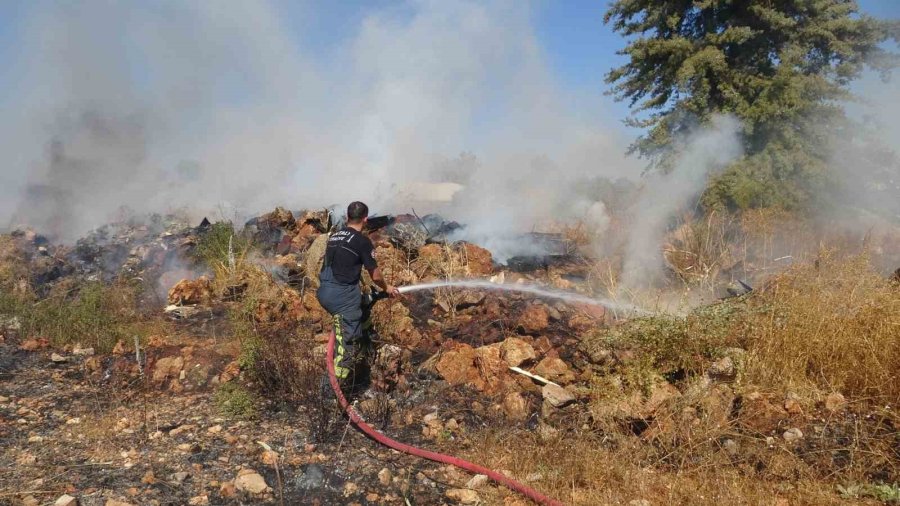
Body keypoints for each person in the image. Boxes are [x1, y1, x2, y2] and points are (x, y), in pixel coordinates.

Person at [317, 201, 400, 388]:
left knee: (363, 310)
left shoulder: (335, 236)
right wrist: (387, 288)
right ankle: (331, 391)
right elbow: (375, 275)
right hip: (342, 298)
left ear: (347, 217)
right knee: (349, 345)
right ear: (365, 219)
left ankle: (368, 353)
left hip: (324, 291)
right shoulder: (362, 241)